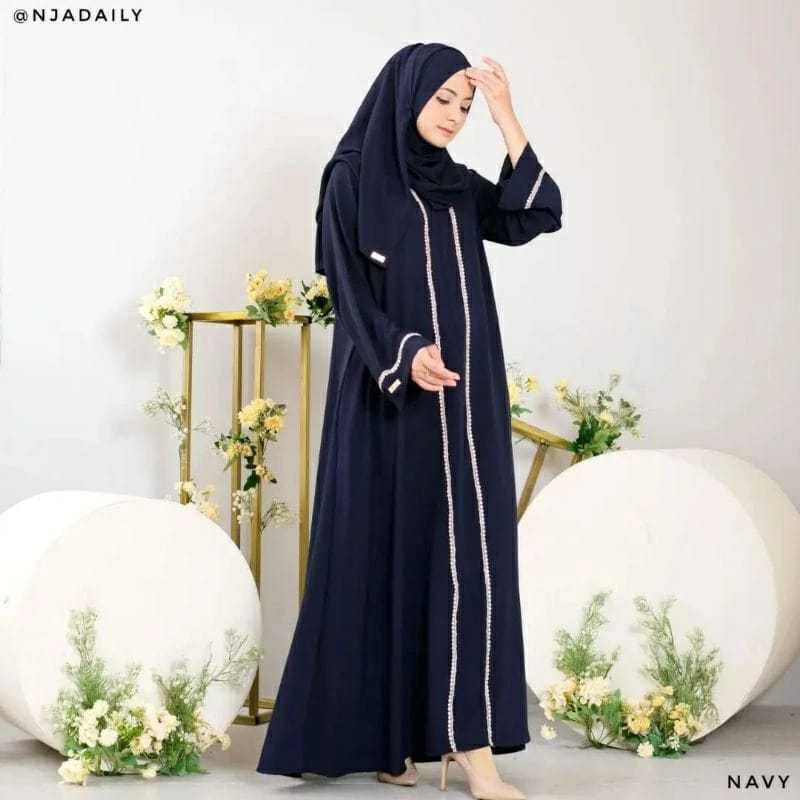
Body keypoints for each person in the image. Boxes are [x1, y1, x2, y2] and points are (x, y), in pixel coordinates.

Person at [256, 42, 563, 800]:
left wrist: (506, 114)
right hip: (386, 396)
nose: (455, 116)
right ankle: (390, 739)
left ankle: (471, 748)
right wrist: (404, 351)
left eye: (466, 105)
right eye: (444, 100)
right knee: (385, 554)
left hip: (465, 395)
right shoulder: (352, 177)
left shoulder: (453, 183)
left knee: (467, 558)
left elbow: (535, 213)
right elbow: (347, 287)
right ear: (405, 95)